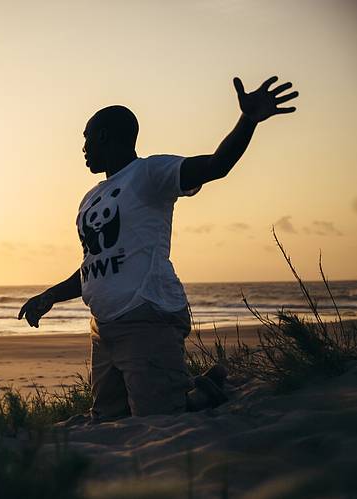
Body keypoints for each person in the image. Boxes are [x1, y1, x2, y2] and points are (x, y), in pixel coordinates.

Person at [18, 76, 298, 420]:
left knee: (161, 417)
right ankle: (188, 384)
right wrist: (48, 296)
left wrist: (248, 120)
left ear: (104, 136)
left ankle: (204, 391)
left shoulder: (149, 173)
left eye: (87, 138)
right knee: (108, 418)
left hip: (145, 317)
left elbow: (215, 166)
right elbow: (95, 264)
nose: (84, 147)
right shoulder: (92, 197)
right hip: (103, 328)